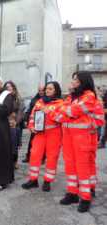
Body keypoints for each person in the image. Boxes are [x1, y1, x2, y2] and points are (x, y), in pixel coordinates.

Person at [55, 71, 98, 213]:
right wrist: (67, 111)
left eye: (75, 79)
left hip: (81, 137)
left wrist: (67, 111)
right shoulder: (72, 97)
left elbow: (72, 111)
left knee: (83, 167)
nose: (72, 81)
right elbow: (59, 115)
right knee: (70, 166)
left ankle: (85, 197)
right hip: (67, 136)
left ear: (82, 81)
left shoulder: (90, 96)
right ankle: (72, 193)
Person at [21, 81, 63, 192]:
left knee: (51, 158)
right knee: (34, 155)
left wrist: (49, 112)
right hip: (39, 134)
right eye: (47, 89)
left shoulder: (60, 103)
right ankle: (33, 180)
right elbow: (32, 116)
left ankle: (47, 181)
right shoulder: (40, 101)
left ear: (56, 90)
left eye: (50, 89)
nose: (47, 91)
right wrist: (31, 126)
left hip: (54, 134)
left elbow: (62, 119)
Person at [5, 81, 25, 169]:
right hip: (6, 123)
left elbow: (21, 112)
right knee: (7, 144)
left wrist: (15, 121)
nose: (8, 88)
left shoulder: (18, 98)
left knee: (15, 144)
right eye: (6, 87)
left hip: (16, 124)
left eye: (9, 86)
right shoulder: (4, 97)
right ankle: (8, 161)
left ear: (13, 87)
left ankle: (15, 161)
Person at [22, 85, 45, 163]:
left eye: (42, 90)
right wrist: (26, 120)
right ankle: (28, 156)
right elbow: (28, 110)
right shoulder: (34, 100)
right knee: (32, 141)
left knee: (42, 143)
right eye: (39, 90)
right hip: (35, 123)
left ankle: (42, 158)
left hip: (45, 124)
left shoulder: (47, 99)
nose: (41, 92)